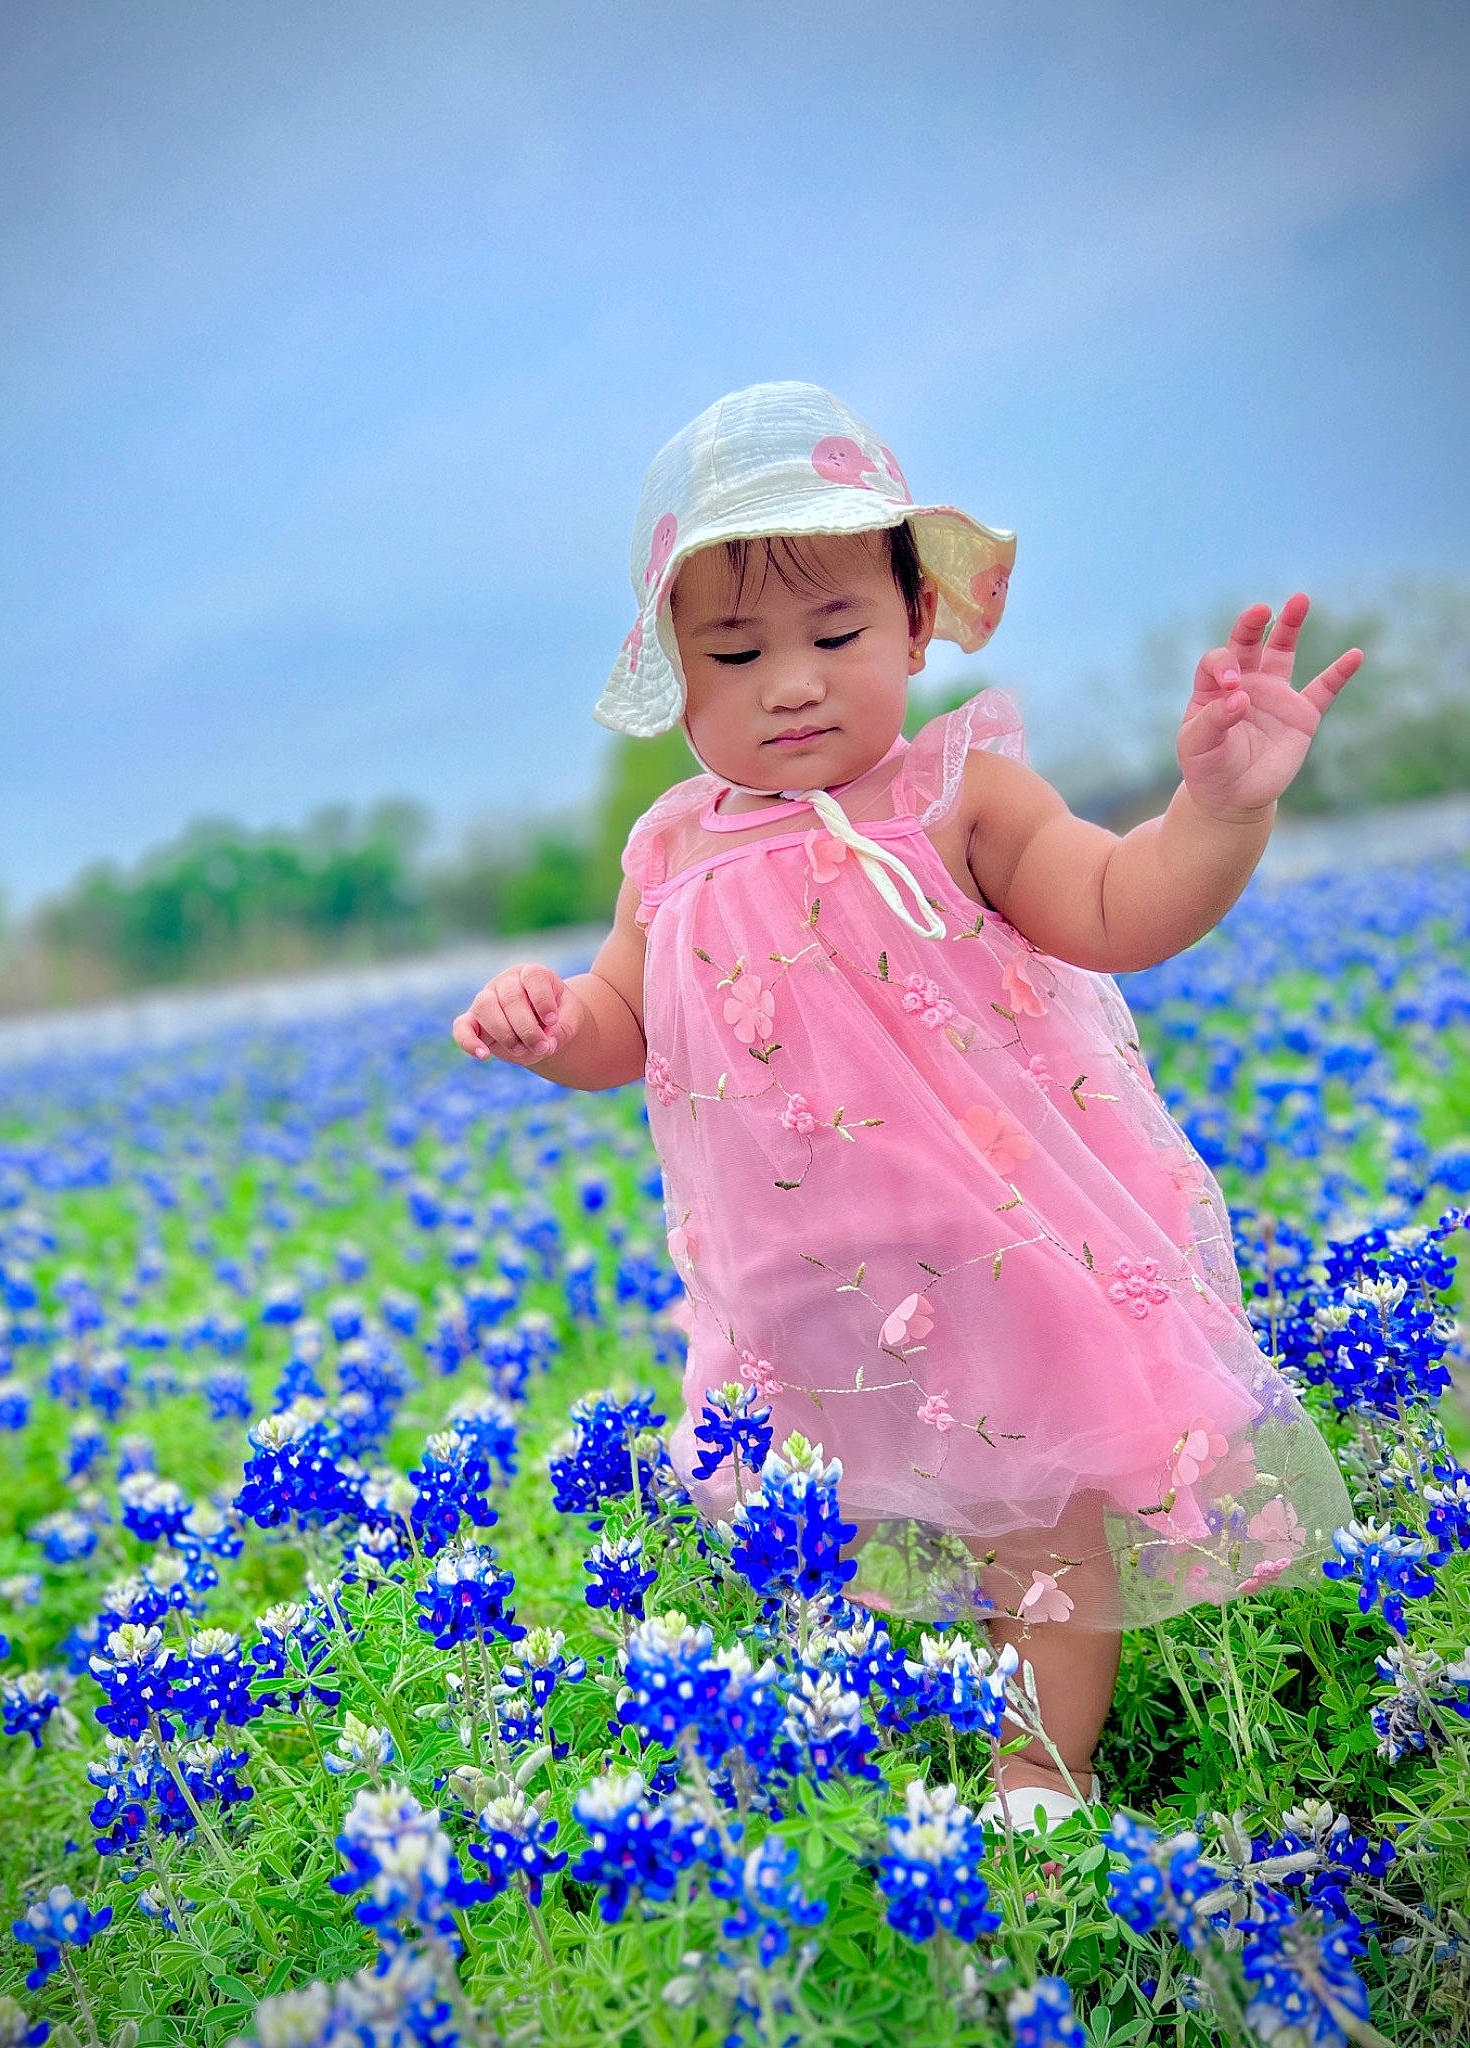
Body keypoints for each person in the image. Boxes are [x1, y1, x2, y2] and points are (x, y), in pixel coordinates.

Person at [451, 381, 1360, 1833]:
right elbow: (624, 1020)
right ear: (676, 674)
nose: (790, 683)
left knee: (1043, 1520)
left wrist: (1220, 812)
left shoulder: (960, 797)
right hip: (807, 1286)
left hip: (997, 1251)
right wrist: (552, 1021)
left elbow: (1118, 907)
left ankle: (1037, 1781)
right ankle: (869, 1751)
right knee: (847, 1527)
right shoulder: (670, 850)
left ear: (918, 625)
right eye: (735, 653)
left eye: (836, 636)